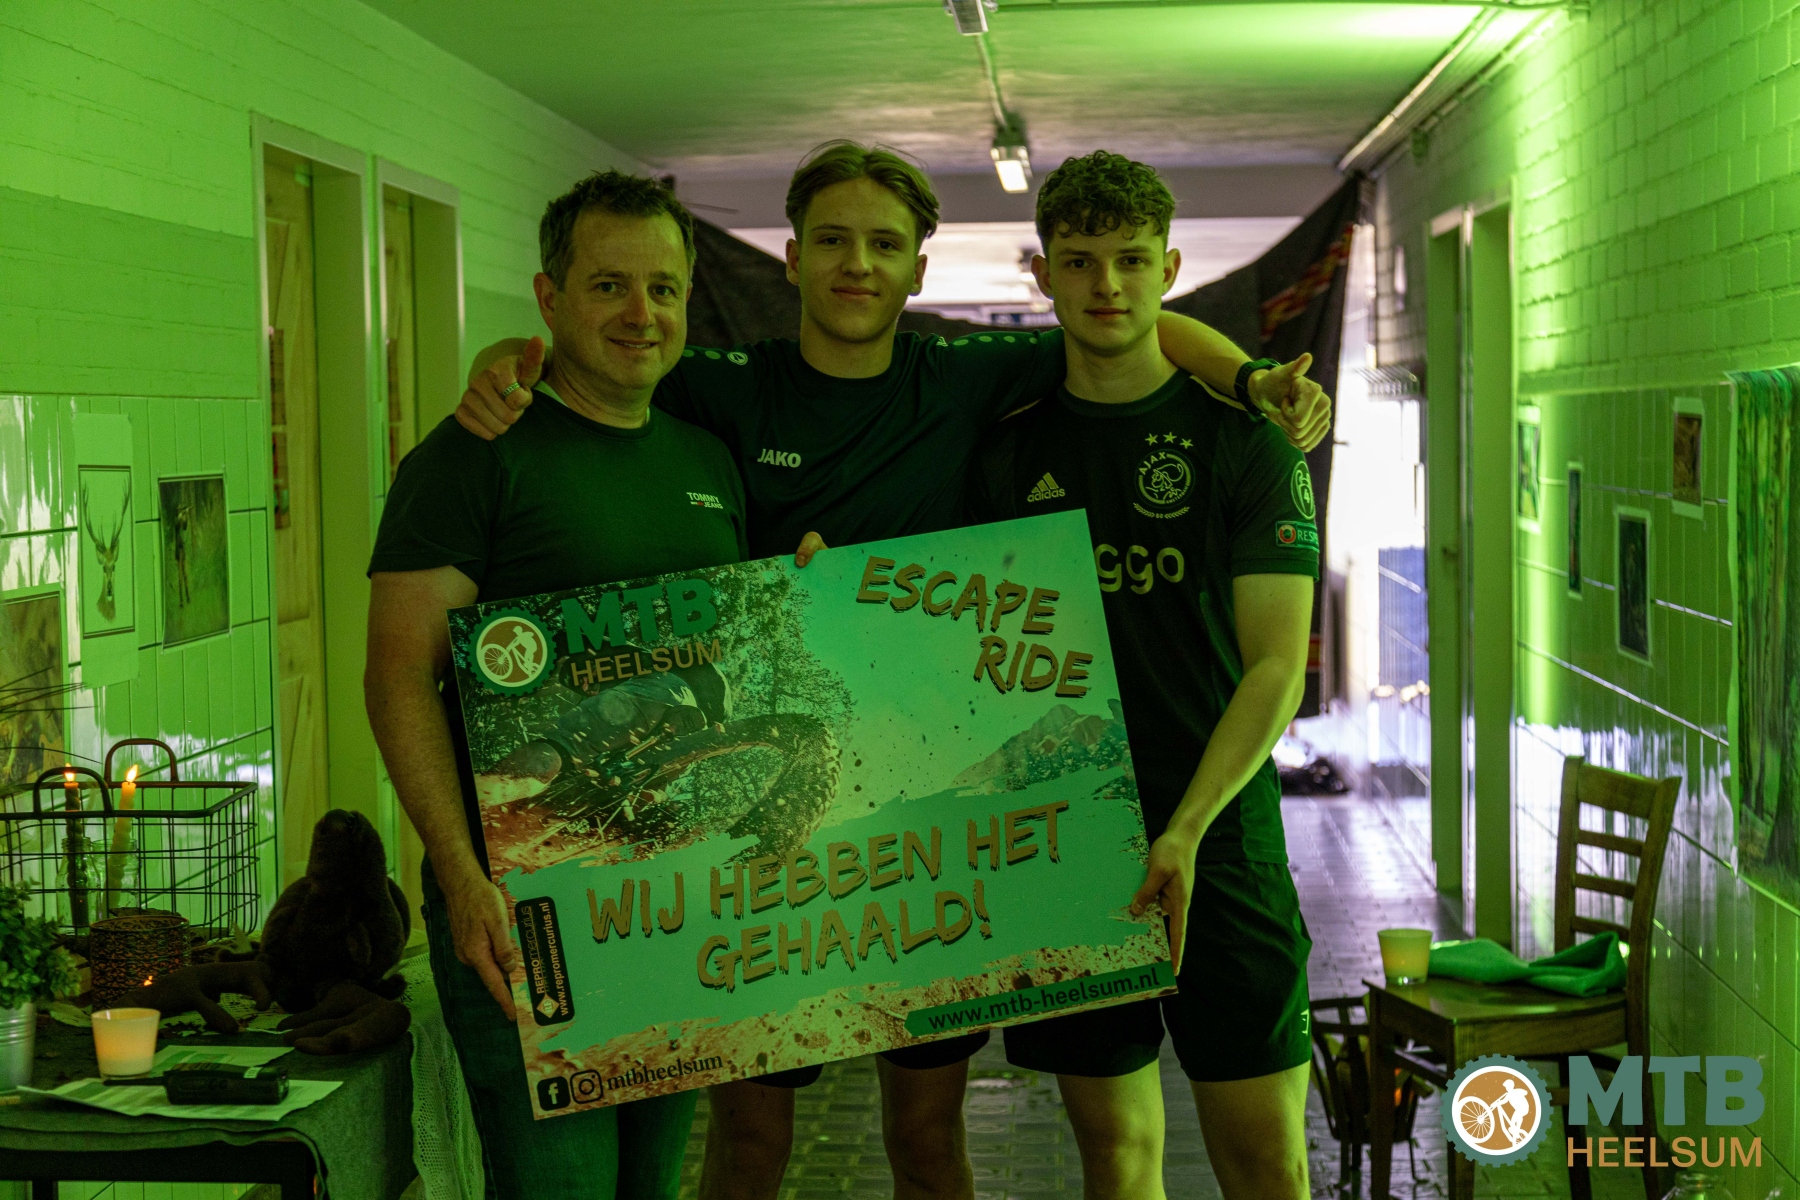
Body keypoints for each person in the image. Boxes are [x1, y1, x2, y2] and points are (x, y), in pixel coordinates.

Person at [452, 140, 1332, 1200]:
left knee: (925, 1135)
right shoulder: (723, 385)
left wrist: (1248, 378)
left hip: (923, 812)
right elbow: (601, 354)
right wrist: (510, 357)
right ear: (791, 257)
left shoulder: (961, 376)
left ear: (919, 268)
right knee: (751, 1146)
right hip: (767, 820)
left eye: (882, 244)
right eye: (832, 240)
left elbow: (1132, 324)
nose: (856, 264)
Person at [363, 170, 749, 1200]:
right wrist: (459, 875)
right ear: (549, 298)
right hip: (525, 906)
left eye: (663, 289)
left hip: (676, 898)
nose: (640, 314)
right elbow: (397, 675)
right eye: (608, 285)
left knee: (651, 1185)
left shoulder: (706, 458)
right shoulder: (473, 457)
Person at [968, 151, 1320, 1200]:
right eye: (1080, 262)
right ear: (1044, 275)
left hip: (1222, 841)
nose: (1107, 286)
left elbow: (1276, 665)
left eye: (1130, 260)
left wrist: (1186, 828)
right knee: (1117, 1163)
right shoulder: (1002, 448)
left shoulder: (1249, 445)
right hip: (1070, 845)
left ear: (1168, 269)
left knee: (1267, 1165)